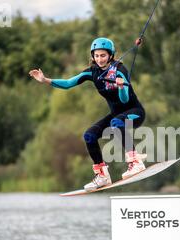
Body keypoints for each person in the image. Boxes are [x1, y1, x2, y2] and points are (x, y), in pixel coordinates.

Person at [29, 37, 147, 191]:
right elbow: (68, 83)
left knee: (116, 122)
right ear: (93, 56)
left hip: (134, 113)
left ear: (110, 55)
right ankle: (103, 175)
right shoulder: (93, 72)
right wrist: (45, 80)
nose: (99, 59)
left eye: (103, 55)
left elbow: (124, 100)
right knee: (89, 135)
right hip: (116, 115)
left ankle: (136, 162)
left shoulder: (120, 70)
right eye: (96, 56)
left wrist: (121, 87)